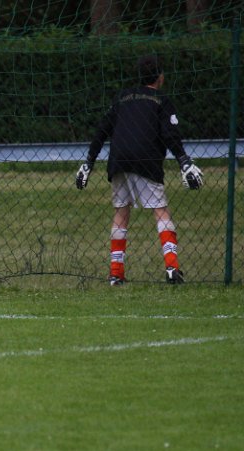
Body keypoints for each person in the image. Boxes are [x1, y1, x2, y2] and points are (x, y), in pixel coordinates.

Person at [76, 54, 202, 285]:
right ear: (160, 77)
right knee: (160, 211)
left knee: (121, 212)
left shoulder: (122, 97)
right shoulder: (161, 100)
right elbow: (169, 135)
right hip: (146, 160)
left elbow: (102, 130)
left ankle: (116, 273)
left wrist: (88, 163)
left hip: (119, 160)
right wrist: (184, 161)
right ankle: (172, 267)